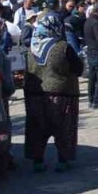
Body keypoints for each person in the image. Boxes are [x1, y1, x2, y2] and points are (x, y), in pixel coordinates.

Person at [24, 11, 84, 172]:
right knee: (63, 128)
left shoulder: (31, 48)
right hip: (62, 93)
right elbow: (78, 69)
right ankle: (62, 161)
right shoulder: (63, 47)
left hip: (35, 94)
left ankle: (38, 161)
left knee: (37, 128)